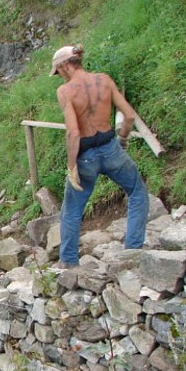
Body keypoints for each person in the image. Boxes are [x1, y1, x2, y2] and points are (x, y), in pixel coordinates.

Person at [50, 44, 149, 268]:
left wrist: (71, 166)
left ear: (66, 65)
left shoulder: (65, 91)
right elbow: (129, 116)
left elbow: (73, 133)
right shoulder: (104, 80)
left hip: (85, 155)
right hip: (110, 146)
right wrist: (122, 140)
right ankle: (133, 252)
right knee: (137, 192)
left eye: (58, 71)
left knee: (72, 210)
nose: (59, 77)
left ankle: (69, 263)